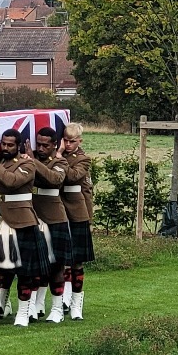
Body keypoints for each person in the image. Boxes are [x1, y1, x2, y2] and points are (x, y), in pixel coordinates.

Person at [0, 129, 51, 327]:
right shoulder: (0, 164)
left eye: (10, 145)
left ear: (19, 146)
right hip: (0, 221)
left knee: (25, 273)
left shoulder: (27, 164)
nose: (5, 148)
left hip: (23, 222)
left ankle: (23, 314)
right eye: (3, 144)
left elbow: (11, 182)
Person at [25, 127, 73, 324]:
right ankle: (31, 307)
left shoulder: (60, 162)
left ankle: (57, 308)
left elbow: (55, 180)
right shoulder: (29, 158)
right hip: (33, 217)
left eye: (46, 145)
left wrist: (33, 160)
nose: (42, 148)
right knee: (33, 266)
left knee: (56, 267)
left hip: (55, 218)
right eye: (39, 144)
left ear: (55, 145)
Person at [61, 122, 95, 320]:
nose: (68, 144)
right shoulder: (57, 156)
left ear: (79, 141)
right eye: (65, 140)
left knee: (77, 262)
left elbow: (73, 177)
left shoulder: (83, 159)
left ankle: (76, 302)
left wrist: (59, 159)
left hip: (78, 213)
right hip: (59, 211)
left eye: (72, 141)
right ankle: (64, 299)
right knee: (64, 261)